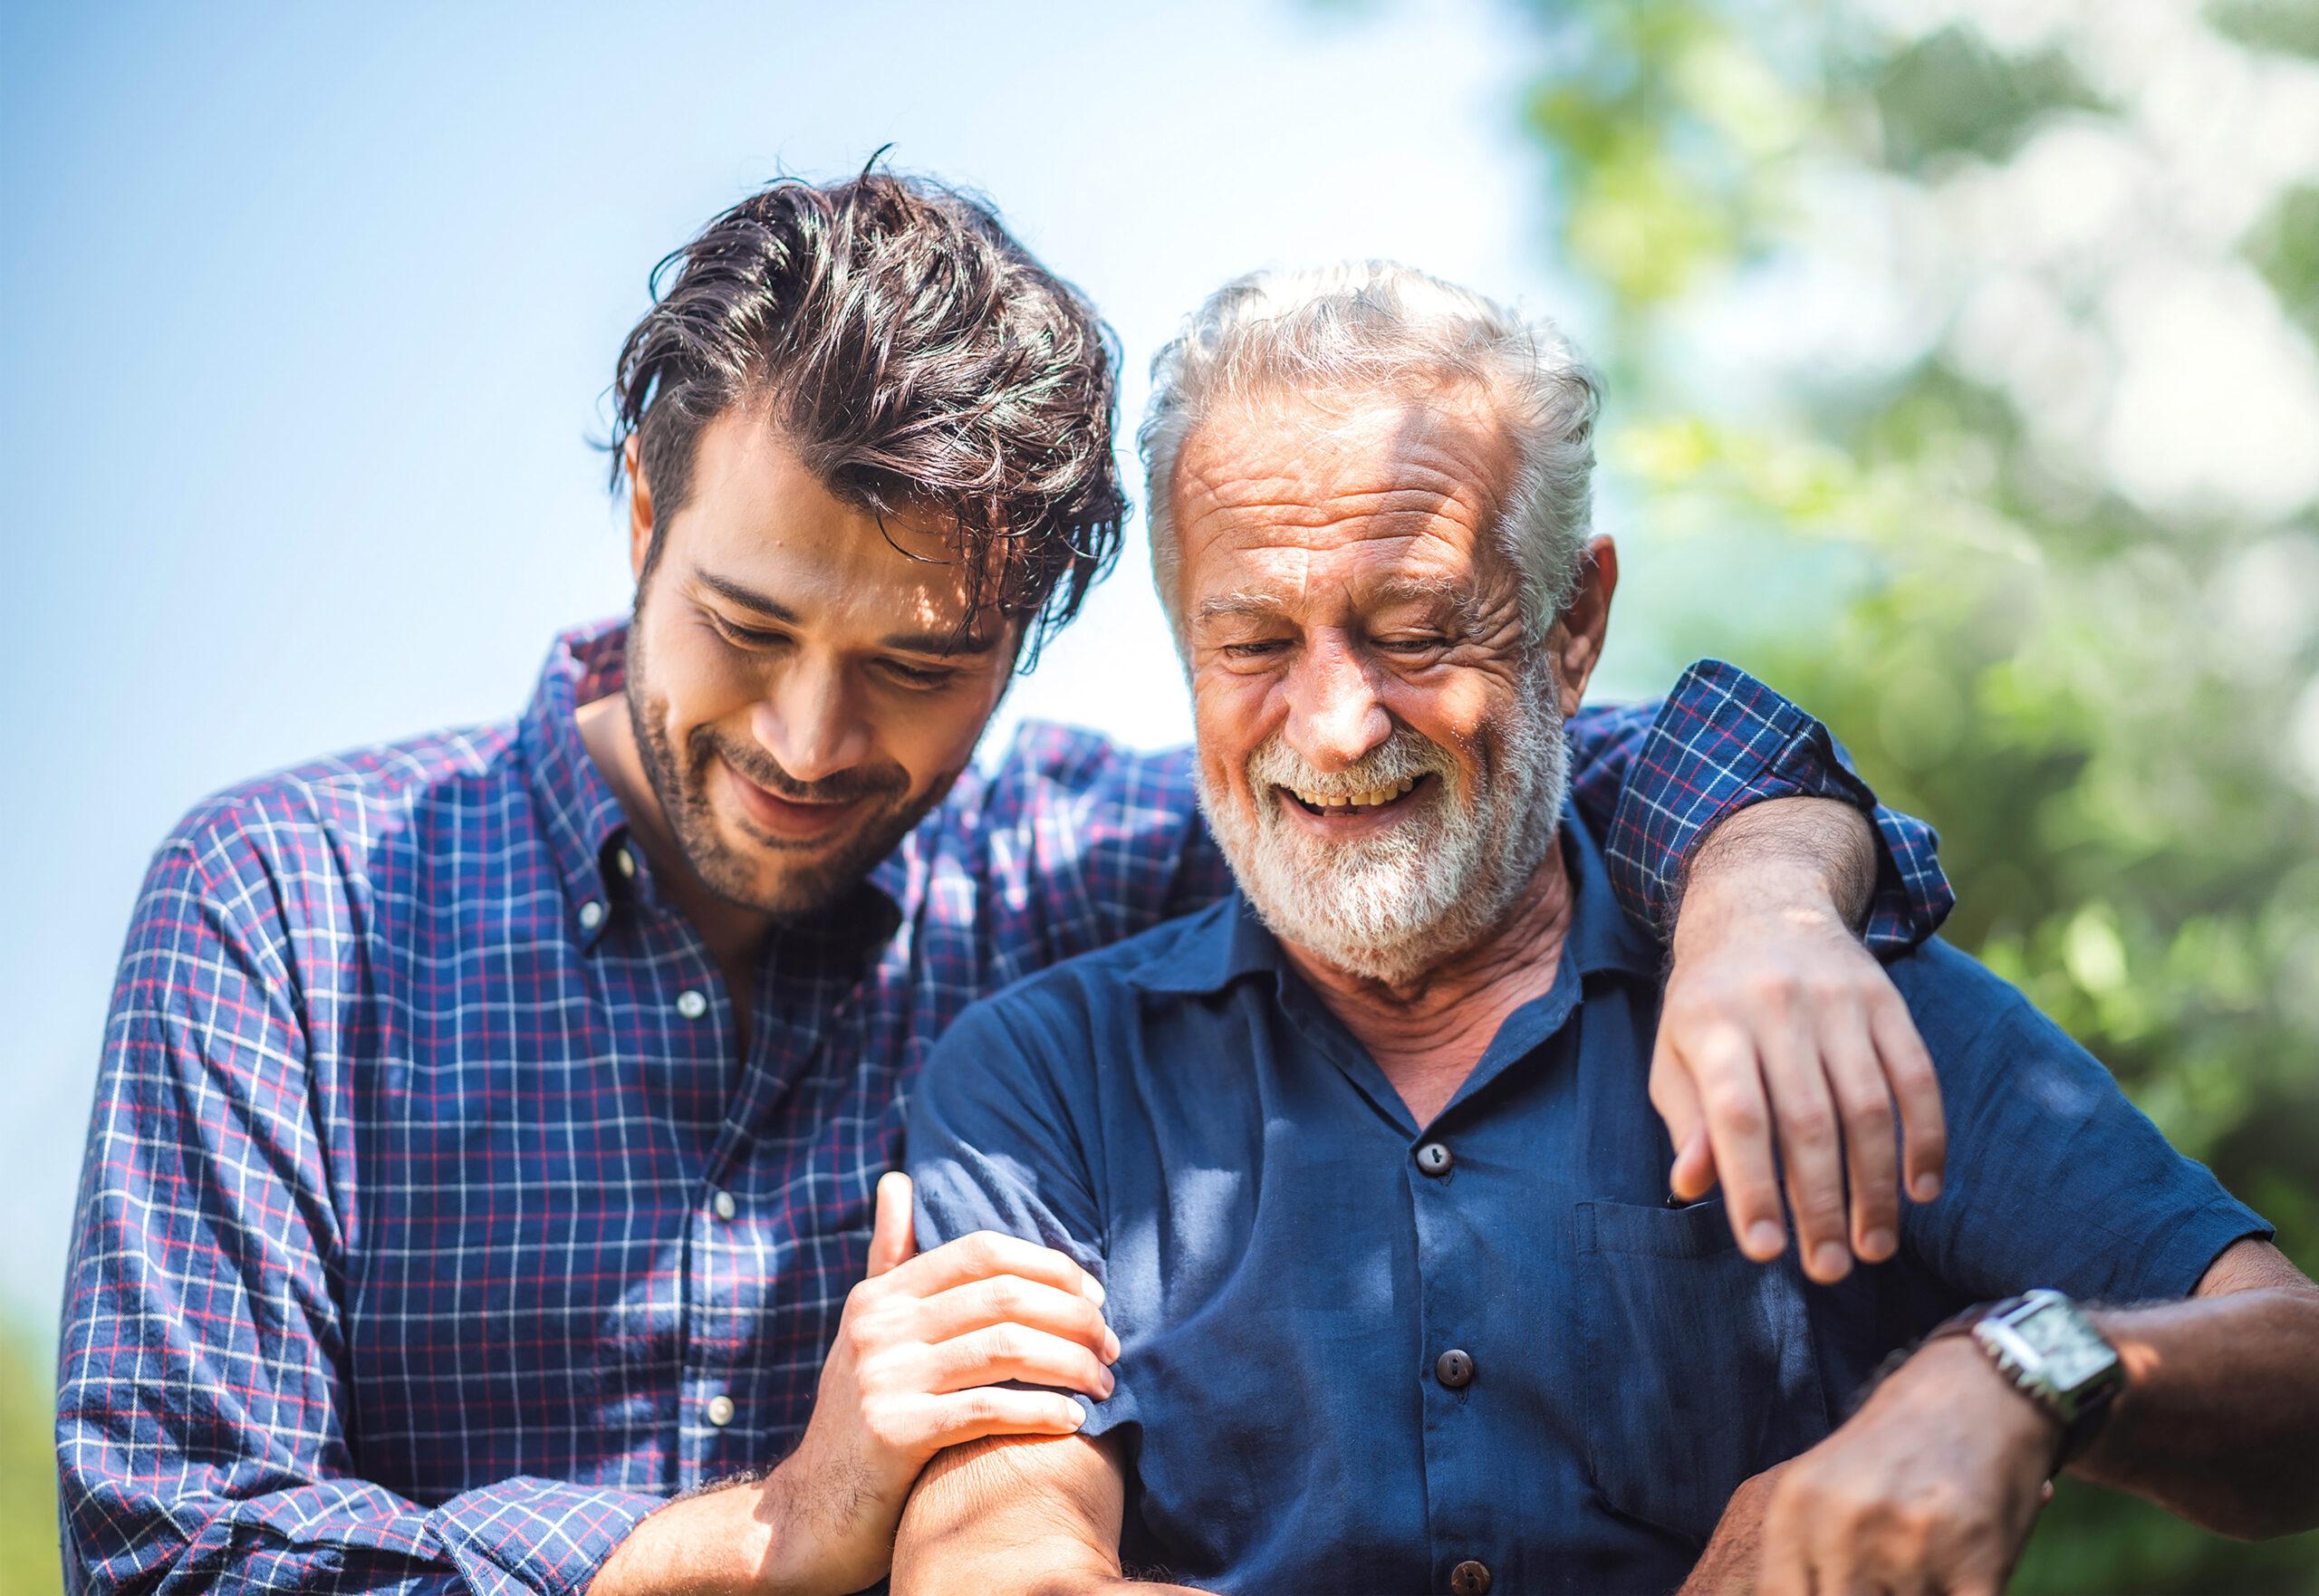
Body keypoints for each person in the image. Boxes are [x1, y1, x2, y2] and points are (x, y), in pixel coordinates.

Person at [57, 177, 1952, 1596]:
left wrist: (1766, 890)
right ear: (644, 512)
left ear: (1029, 636)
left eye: (915, 665)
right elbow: (165, 1548)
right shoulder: (281, 911)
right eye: (742, 625)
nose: (807, 739)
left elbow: (1485, 763)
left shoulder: (1087, 866)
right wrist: (751, 1533)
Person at [895, 262, 2319, 1596]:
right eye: (1254, 643)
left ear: (1573, 624)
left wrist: (2018, 1366)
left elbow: (2293, 1364)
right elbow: (993, 1566)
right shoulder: (1043, 1077)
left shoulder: (1808, 987)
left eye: (1414, 627)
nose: (1332, 727)